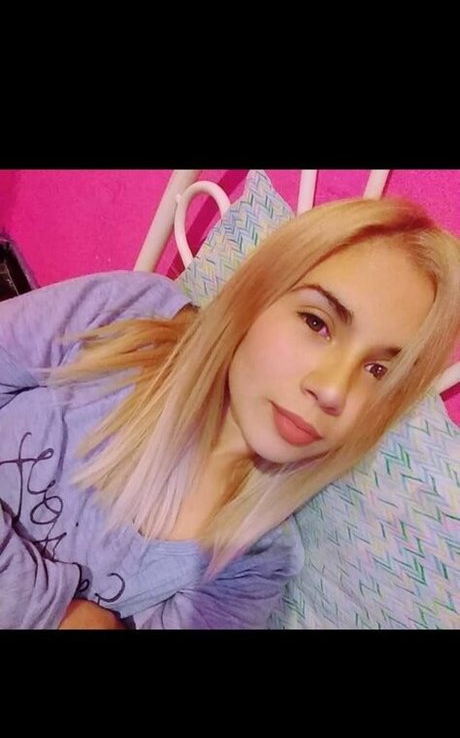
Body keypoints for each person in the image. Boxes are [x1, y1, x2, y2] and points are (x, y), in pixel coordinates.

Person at [1, 196, 459, 629]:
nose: (333, 390)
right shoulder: (127, 319)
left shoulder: (252, 569)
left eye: (379, 371)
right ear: (256, 296)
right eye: (316, 322)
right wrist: (55, 610)